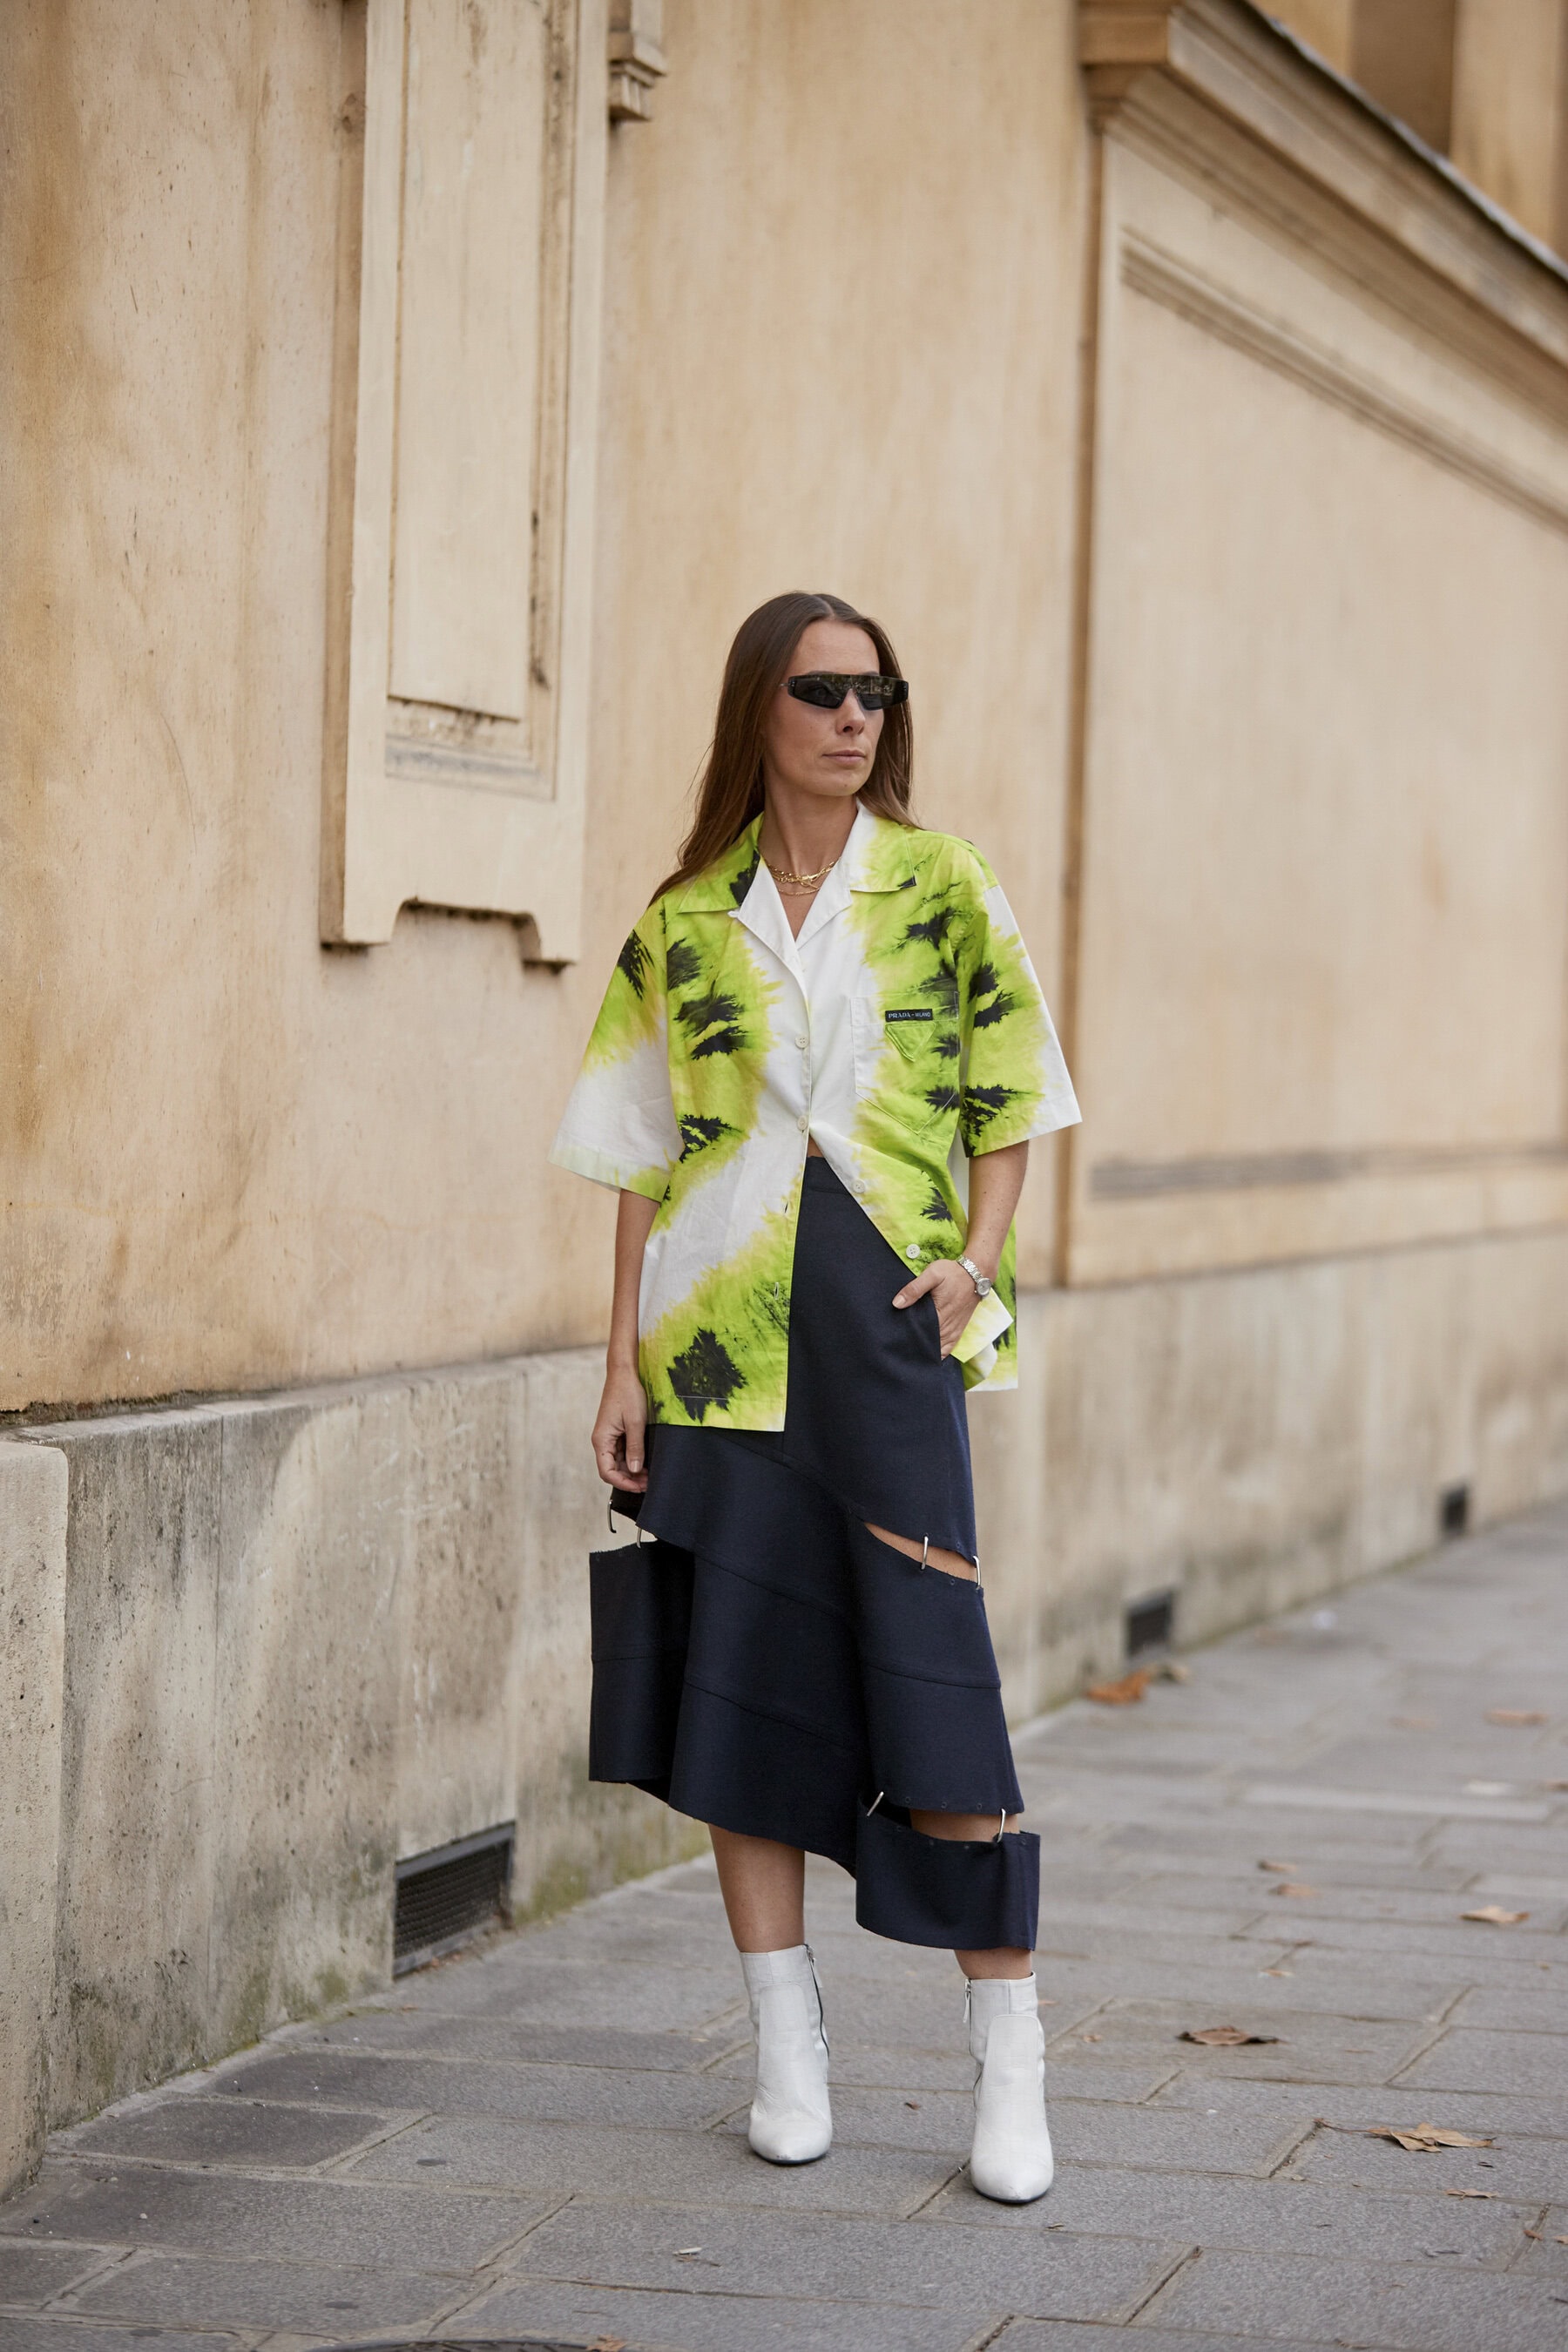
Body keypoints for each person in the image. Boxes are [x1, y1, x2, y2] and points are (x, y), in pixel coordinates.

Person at [551, 590, 1080, 2202]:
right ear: (759, 712)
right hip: (717, 1344)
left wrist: (979, 1266)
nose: (857, 716)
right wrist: (621, 1352)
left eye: (878, 692)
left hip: (886, 1331)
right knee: (745, 1678)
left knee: (935, 1677)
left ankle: (1011, 2060)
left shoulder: (943, 888)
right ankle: (786, 2047)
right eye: (824, 690)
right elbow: (639, 1153)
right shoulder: (683, 916)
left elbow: (1015, 1095)